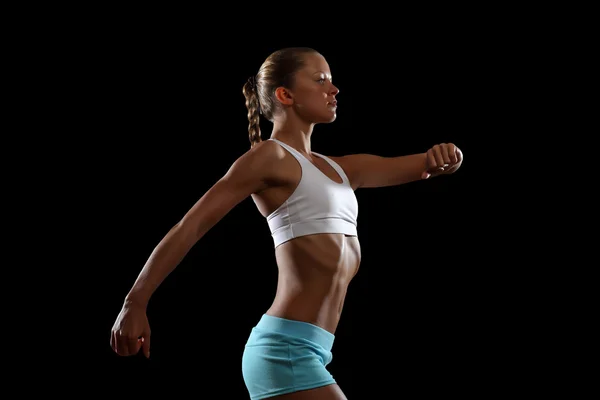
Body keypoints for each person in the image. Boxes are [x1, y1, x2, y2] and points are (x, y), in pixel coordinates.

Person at [110, 47, 463, 399]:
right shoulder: (269, 156)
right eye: (320, 79)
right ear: (285, 94)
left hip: (313, 349)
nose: (334, 89)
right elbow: (191, 226)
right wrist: (134, 302)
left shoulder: (342, 169)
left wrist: (449, 155)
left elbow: (425, 165)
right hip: (283, 351)